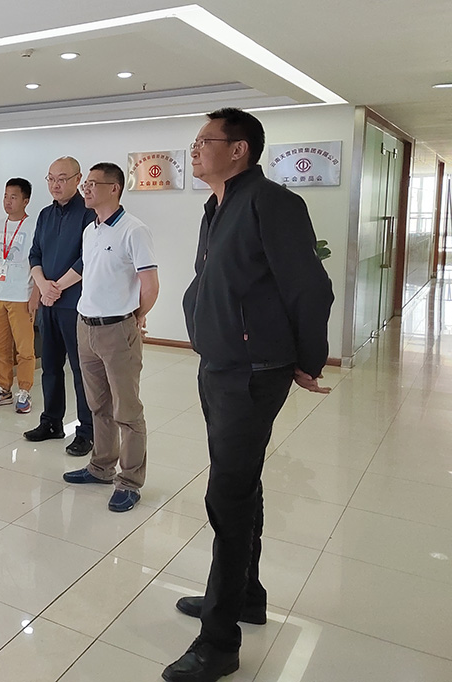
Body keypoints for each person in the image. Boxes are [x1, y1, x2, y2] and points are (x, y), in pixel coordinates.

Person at [162, 108, 333, 682]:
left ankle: (219, 642)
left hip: (252, 371)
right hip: (220, 365)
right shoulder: (216, 206)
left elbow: (310, 287)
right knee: (241, 483)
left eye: (204, 140)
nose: (194, 149)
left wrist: (307, 359)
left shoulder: (272, 203)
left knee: (227, 496)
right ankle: (246, 596)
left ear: (239, 149)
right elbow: (214, 279)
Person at [61, 162, 158, 513]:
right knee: (97, 405)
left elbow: (150, 284)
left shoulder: (134, 230)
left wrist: (134, 316)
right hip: (85, 326)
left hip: (118, 329)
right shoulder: (91, 230)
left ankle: (129, 481)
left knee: (126, 410)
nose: (85, 189)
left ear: (114, 188)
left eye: (92, 184)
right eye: (85, 184)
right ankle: (101, 467)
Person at [24, 156, 98, 457]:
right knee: (51, 366)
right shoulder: (45, 214)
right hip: (48, 303)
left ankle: (87, 431)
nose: (55, 184)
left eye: (62, 178)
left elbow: (87, 257)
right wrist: (43, 286)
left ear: (78, 179)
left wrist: (57, 288)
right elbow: (35, 254)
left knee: (81, 370)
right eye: (51, 178)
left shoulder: (89, 213)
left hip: (75, 304)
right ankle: (51, 422)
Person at [0, 177, 37, 413]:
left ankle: (24, 390)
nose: (7, 201)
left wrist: (36, 295)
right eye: (5, 196)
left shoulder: (34, 227)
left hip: (22, 296)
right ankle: (3, 388)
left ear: (25, 200)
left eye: (13, 197)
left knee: (24, 349)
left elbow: (39, 263)